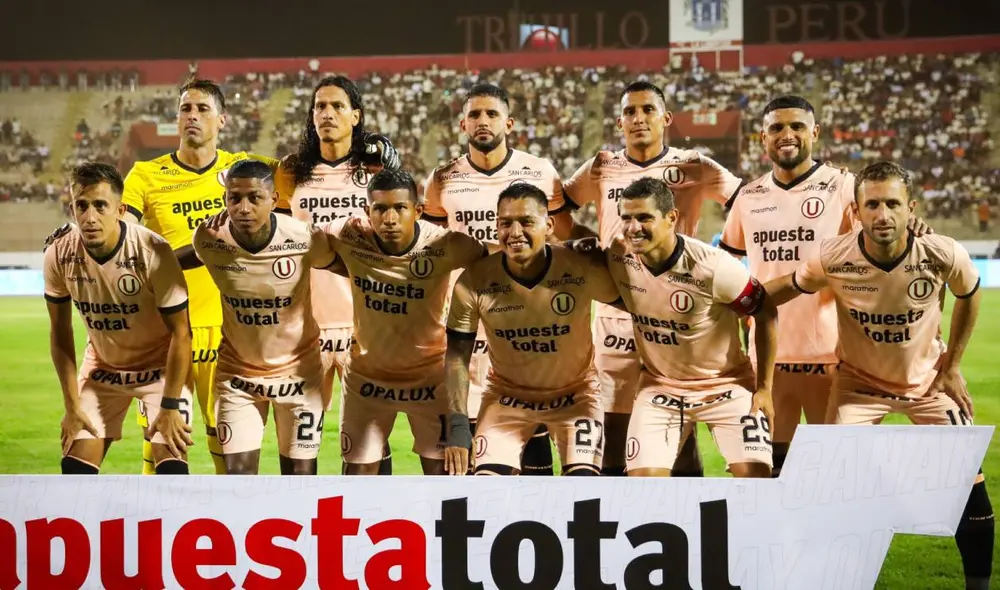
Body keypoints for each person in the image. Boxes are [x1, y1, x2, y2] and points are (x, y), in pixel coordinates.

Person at [763, 161, 993, 590]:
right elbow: (790, 285)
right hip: (858, 388)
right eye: (872, 204)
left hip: (927, 385)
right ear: (857, 210)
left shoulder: (941, 252)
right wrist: (738, 298)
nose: (882, 215)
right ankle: (826, 579)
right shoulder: (834, 256)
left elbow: (970, 292)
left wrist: (954, 365)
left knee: (968, 484)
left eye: (892, 204)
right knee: (830, 488)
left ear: (911, 208)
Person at [719, 95, 929, 477]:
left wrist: (915, 228)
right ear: (762, 138)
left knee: (834, 477)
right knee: (768, 474)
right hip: (767, 362)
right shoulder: (747, 198)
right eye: (776, 128)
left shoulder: (846, 187)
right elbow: (727, 273)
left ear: (814, 133)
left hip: (834, 360)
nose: (787, 135)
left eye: (797, 126)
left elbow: (888, 228)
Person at [562, 80, 745, 477]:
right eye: (630, 111)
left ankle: (683, 528)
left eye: (647, 110)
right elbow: (559, 211)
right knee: (613, 429)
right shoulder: (601, 165)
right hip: (618, 313)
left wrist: (727, 252)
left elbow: (749, 200)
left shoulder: (693, 165)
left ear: (666, 119)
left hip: (678, 314)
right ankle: (615, 527)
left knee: (678, 428)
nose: (638, 118)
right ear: (619, 121)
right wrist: (592, 244)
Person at [423, 82, 587, 475]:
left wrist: (612, 255)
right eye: (475, 115)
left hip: (529, 320)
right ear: (463, 123)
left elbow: (565, 234)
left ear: (509, 122)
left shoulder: (540, 171)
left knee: (532, 441)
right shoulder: (442, 180)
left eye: (492, 114)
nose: (483, 121)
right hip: (468, 319)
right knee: (477, 436)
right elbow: (430, 249)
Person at [121, 78, 278, 475]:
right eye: (185, 109)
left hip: (229, 334)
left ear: (222, 120)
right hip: (166, 333)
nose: (192, 116)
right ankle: (161, 532)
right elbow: (122, 241)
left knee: (231, 460)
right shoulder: (145, 175)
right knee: (164, 451)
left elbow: (305, 179)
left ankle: (232, 533)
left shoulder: (242, 171)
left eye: (202, 109)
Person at [444, 183, 620, 476]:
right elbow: (456, 356)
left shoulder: (580, 268)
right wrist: (459, 424)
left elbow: (640, 304)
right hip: (507, 398)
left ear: (549, 224)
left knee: (583, 490)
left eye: (526, 222)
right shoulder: (474, 280)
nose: (514, 233)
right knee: (486, 491)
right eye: (505, 223)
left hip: (575, 397)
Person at [605, 177, 777, 477]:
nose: (633, 228)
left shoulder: (714, 266)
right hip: (660, 388)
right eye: (627, 218)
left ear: (672, 218)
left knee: (756, 478)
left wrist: (764, 389)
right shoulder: (618, 259)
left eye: (644, 217)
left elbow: (766, 312)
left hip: (726, 385)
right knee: (642, 487)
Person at [326, 169, 494, 475]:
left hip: (429, 379)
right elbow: (298, 245)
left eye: (399, 208)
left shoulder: (447, 243)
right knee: (356, 482)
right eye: (380, 209)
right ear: (367, 211)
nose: (389, 219)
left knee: (447, 480)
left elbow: (497, 263)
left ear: (417, 210)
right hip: (368, 380)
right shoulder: (347, 235)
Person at [274, 75, 400, 475]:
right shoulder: (291, 172)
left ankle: (375, 531)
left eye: (337, 106)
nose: (326, 114)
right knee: (298, 451)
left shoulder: (376, 169)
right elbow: (278, 245)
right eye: (319, 107)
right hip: (305, 329)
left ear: (356, 116)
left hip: (364, 327)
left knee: (368, 451)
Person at [182, 160, 335, 475]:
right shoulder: (210, 238)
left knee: (300, 481)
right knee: (238, 480)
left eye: (254, 198)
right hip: (238, 378)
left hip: (299, 376)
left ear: (274, 201)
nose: (243, 207)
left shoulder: (304, 237)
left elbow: (348, 268)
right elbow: (171, 260)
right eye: (234, 198)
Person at [43, 162, 193, 474]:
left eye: (100, 205)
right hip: (104, 369)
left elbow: (181, 334)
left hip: (159, 369)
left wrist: (169, 406)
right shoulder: (59, 253)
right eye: (81, 206)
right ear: (71, 209)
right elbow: (60, 333)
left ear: (120, 209)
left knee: (171, 471)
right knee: (74, 470)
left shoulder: (153, 251)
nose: (90, 217)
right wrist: (71, 406)